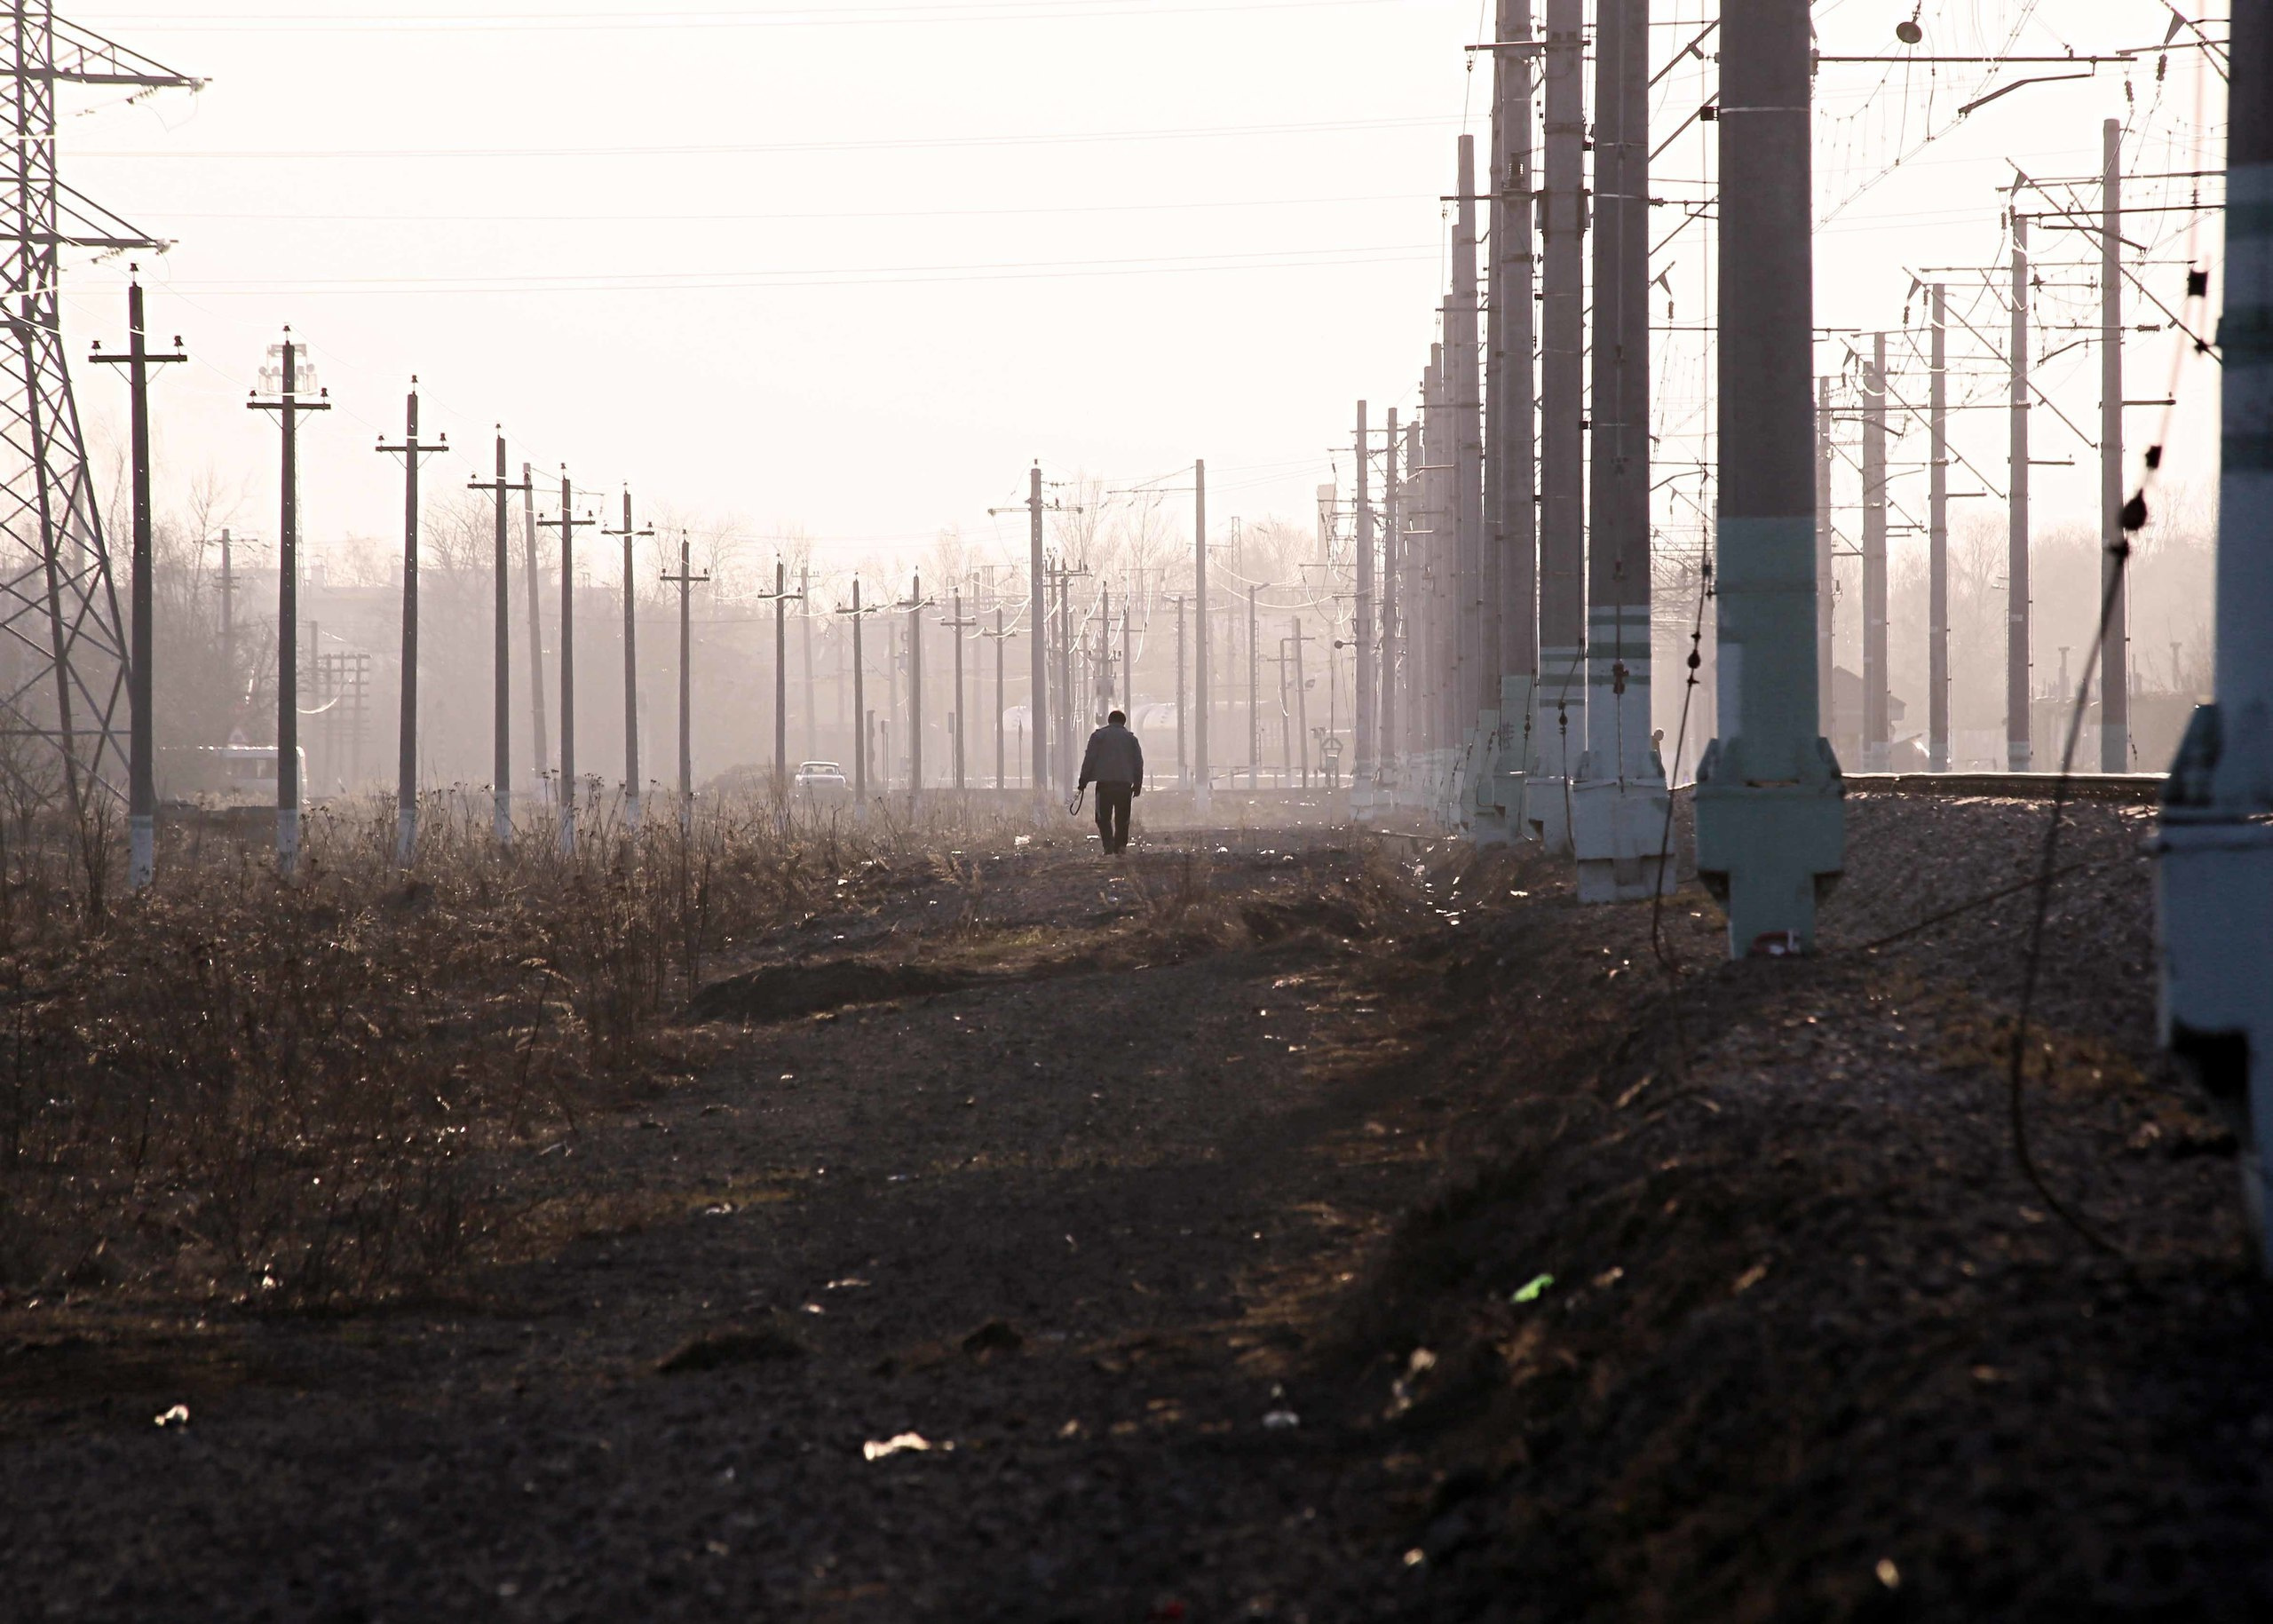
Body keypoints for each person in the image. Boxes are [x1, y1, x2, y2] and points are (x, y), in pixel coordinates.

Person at [1077, 709, 1144, 854]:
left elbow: (1090, 759)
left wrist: (1083, 781)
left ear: (1109, 721)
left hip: (1105, 785)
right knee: (1123, 818)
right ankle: (1120, 847)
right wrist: (1137, 784)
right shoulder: (1131, 739)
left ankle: (1108, 846)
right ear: (1123, 722)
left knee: (1102, 818)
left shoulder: (1098, 736)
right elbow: (1138, 763)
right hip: (1125, 785)